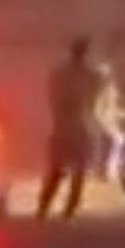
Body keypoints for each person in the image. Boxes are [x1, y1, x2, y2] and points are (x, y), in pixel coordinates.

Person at [36, 36, 103, 220]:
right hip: (77, 125)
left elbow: (52, 98)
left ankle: (46, 208)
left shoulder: (59, 74)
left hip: (64, 125)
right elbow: (94, 98)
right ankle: (66, 209)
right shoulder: (90, 75)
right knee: (74, 170)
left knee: (59, 170)